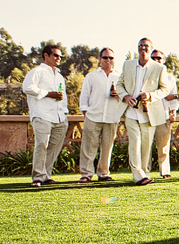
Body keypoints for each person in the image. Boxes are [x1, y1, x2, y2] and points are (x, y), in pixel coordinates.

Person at [115, 38, 170, 185]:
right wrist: (125, 96)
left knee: (146, 144)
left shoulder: (159, 68)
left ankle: (144, 173)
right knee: (135, 142)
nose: (142, 48)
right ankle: (138, 175)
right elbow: (119, 85)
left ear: (151, 48)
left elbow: (165, 89)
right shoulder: (128, 64)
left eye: (146, 46)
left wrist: (150, 96)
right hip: (131, 111)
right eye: (140, 46)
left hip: (149, 112)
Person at [21, 44, 68, 188]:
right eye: (55, 55)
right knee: (42, 145)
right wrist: (48, 94)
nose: (58, 58)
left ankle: (47, 175)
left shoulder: (59, 76)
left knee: (54, 147)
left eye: (60, 56)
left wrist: (64, 114)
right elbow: (27, 88)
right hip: (42, 115)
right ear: (46, 55)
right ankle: (37, 177)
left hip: (59, 117)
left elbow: (62, 96)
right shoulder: (37, 71)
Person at [78, 48, 126, 183]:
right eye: (105, 58)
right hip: (93, 116)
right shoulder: (92, 76)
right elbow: (85, 96)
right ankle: (86, 174)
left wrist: (118, 95)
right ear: (100, 59)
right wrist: (86, 112)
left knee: (107, 147)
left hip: (111, 117)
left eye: (111, 58)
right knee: (89, 147)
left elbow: (125, 97)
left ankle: (104, 173)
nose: (108, 60)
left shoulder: (119, 77)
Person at [151, 49, 179, 179]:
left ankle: (165, 171)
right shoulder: (145, 75)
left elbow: (173, 96)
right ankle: (144, 173)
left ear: (163, 60)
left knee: (163, 146)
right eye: (153, 58)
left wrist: (173, 112)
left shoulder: (169, 78)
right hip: (147, 115)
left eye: (158, 58)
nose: (156, 60)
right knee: (144, 146)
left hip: (164, 115)